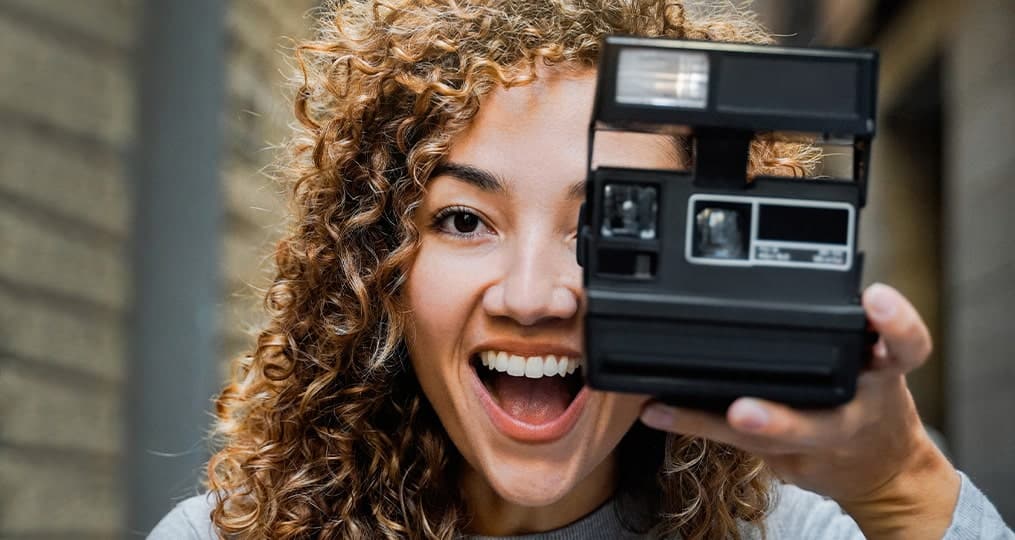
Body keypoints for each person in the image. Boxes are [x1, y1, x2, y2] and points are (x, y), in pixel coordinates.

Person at [150, 0, 1013, 538]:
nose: (533, 297)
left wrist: (901, 486)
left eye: (610, 224)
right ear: (378, 274)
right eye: (462, 219)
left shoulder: (802, 531)